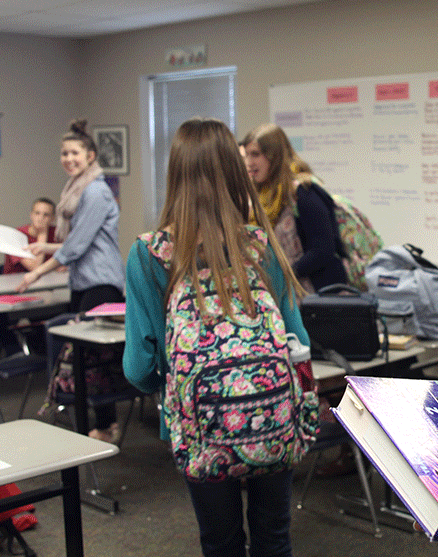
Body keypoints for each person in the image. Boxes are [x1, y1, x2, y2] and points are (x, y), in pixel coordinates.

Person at [122, 118, 312, 557]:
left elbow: (137, 367)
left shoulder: (150, 255)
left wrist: (172, 387)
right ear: (235, 172)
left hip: (198, 427)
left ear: (174, 175)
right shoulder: (260, 245)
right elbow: (296, 340)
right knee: (274, 538)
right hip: (273, 416)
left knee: (221, 542)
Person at [16, 119, 126, 443]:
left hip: (101, 284)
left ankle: (106, 426)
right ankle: (100, 425)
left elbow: (78, 245)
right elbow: (79, 240)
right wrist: (46, 246)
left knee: (96, 359)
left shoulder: (95, 191)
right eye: (64, 153)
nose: (69, 159)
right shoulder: (76, 189)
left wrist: (38, 271)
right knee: (84, 356)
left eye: (75, 152)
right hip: (83, 282)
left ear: (91, 155)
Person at [241, 123, 346, 293]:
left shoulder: (303, 192)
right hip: (288, 292)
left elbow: (323, 250)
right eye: (247, 155)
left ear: (274, 155)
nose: (249, 162)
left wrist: (285, 273)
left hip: (317, 296)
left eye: (255, 154)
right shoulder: (262, 195)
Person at [3, 197, 57, 274]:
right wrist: (42, 233)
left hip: (48, 279)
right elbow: (35, 268)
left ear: (53, 218)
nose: (41, 218)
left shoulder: (56, 233)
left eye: (46, 215)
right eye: (37, 213)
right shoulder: (15, 235)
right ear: (31, 215)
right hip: (15, 282)